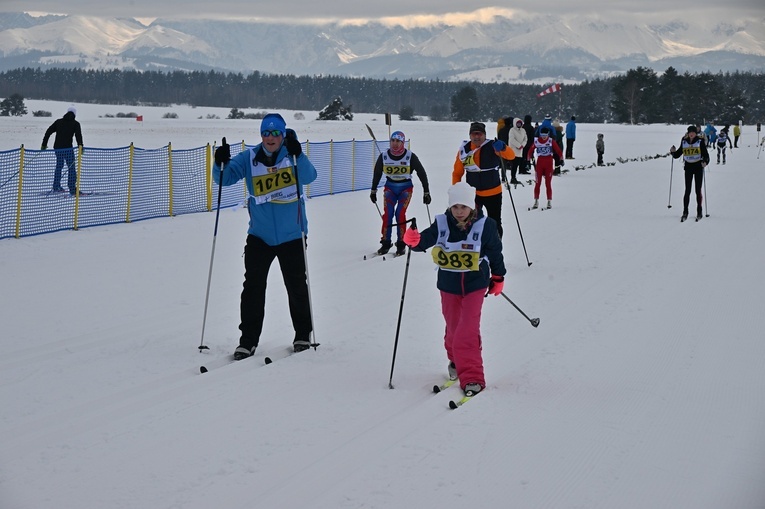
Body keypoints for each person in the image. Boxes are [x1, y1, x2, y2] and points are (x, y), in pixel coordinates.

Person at [213, 113, 318, 359]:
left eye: (275, 133)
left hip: (292, 234)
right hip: (260, 236)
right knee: (252, 287)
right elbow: (225, 179)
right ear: (261, 135)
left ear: (283, 135)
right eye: (266, 133)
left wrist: (299, 155)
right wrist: (220, 162)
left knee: (296, 287)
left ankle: (303, 334)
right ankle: (247, 340)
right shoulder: (250, 158)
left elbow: (310, 176)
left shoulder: (292, 156)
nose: (270, 138)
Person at [402, 182, 506, 397]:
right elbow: (424, 241)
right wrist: (413, 240)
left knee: (466, 330)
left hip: (475, 285)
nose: (459, 212)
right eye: (455, 207)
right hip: (448, 286)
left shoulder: (485, 225)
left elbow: (495, 252)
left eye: (463, 207)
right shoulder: (442, 223)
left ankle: (473, 377)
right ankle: (456, 360)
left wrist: (498, 277)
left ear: (472, 207)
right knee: (453, 329)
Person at [370, 131, 430, 256]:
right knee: (388, 215)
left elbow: (421, 172)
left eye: (398, 141)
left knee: (400, 214)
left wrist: (426, 191)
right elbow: (377, 173)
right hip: (390, 188)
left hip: (405, 189)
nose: (395, 144)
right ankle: (386, 242)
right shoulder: (384, 156)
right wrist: (373, 190)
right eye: (393, 141)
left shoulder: (410, 156)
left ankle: (401, 243)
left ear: (403, 143)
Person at [452, 121, 516, 238]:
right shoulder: (464, 150)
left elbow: (511, 156)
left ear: (485, 135)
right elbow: (457, 173)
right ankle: (473, 248)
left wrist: (503, 147)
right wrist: (457, 192)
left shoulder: (493, 145)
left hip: (493, 192)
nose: (477, 136)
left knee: (495, 222)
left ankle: (496, 247)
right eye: (474, 134)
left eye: (480, 134)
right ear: (470, 135)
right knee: (471, 222)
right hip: (473, 194)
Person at [670, 125, 709, 222]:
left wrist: (705, 162)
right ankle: (685, 211)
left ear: (696, 133)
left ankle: (699, 211)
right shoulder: (684, 141)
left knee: (697, 190)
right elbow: (678, 154)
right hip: (688, 168)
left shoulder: (700, 141)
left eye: (693, 132)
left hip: (698, 168)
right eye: (690, 132)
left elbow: (706, 155)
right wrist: (673, 152)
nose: (691, 134)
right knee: (687, 190)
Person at [41, 106, 84, 195]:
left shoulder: (58, 122)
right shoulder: (75, 124)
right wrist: (81, 146)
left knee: (59, 166)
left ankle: (56, 186)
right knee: (71, 168)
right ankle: (72, 188)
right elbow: (78, 136)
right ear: (74, 114)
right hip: (68, 149)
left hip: (57, 148)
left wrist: (44, 144)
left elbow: (48, 131)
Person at [527, 126, 564, 209]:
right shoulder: (537, 141)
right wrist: (528, 159)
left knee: (548, 183)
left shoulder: (551, 141)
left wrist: (561, 158)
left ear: (548, 135)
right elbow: (530, 150)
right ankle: (536, 201)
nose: (544, 137)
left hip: (549, 162)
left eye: (545, 135)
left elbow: (558, 150)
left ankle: (549, 201)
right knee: (537, 183)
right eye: (542, 135)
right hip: (540, 163)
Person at [506, 117, 528, 184]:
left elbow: (525, 139)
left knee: (516, 165)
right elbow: (512, 139)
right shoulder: (512, 130)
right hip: (513, 150)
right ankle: (513, 178)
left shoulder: (523, 130)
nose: (519, 125)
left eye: (520, 123)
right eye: (518, 123)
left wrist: (522, 145)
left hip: (520, 150)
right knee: (514, 165)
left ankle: (514, 177)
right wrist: (518, 145)